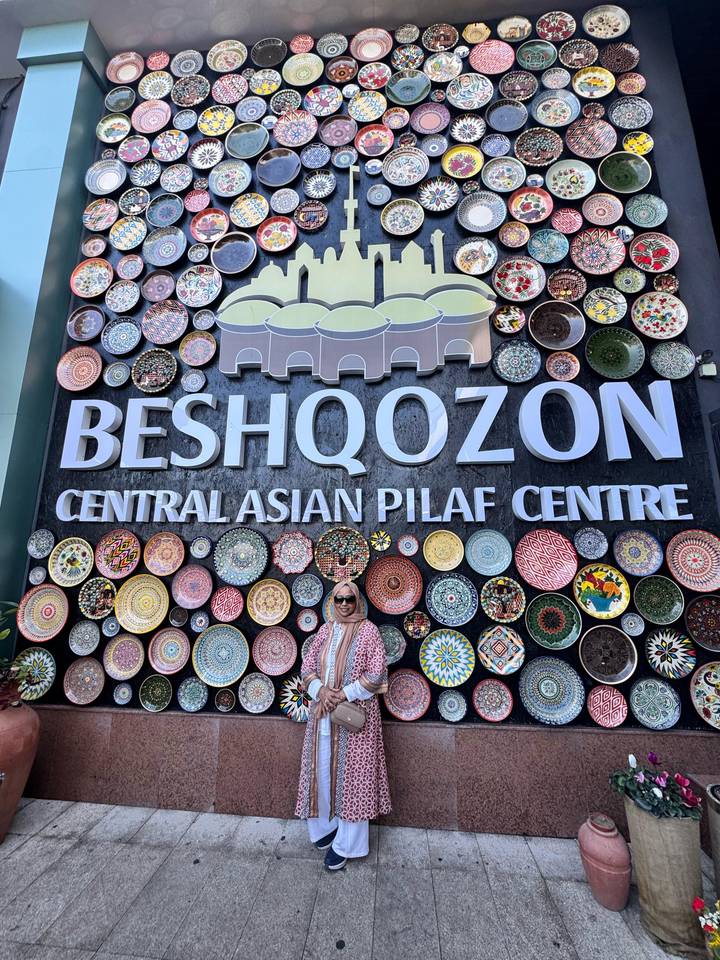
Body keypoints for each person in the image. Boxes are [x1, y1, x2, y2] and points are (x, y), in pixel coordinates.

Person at [295, 579, 391, 870]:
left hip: (354, 719)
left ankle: (348, 844)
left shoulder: (369, 631)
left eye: (350, 599)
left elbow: (377, 673)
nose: (345, 604)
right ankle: (325, 829)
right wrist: (321, 692)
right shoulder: (325, 630)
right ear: (332, 602)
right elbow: (307, 667)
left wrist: (342, 694)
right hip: (323, 717)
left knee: (353, 781)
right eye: (339, 599)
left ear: (358, 601)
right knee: (321, 772)